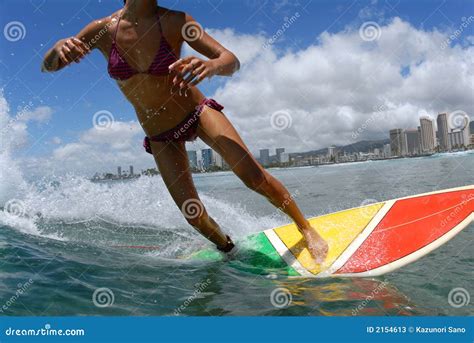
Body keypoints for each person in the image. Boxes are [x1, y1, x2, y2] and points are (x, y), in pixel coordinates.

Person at [41, 0, 328, 263]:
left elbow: (231, 60)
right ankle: (228, 249)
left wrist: (212, 65)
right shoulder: (102, 30)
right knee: (194, 214)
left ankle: (306, 228)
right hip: (159, 134)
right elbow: (49, 68)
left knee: (253, 177)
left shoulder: (177, 22)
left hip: (196, 112)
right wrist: (56, 50)